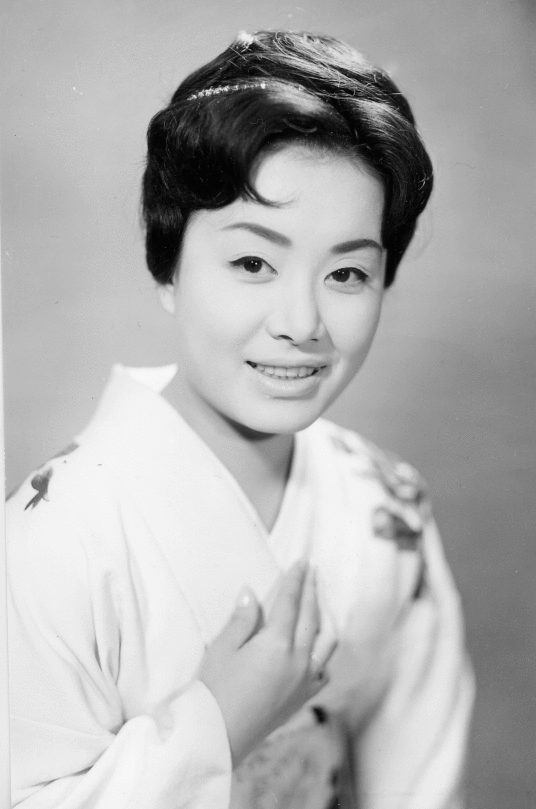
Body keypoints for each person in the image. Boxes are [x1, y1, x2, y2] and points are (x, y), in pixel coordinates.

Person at [7, 29, 474, 809]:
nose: (302, 322)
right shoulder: (54, 538)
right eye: (253, 262)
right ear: (167, 266)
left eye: (348, 272)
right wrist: (216, 728)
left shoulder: (385, 506)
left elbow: (421, 786)